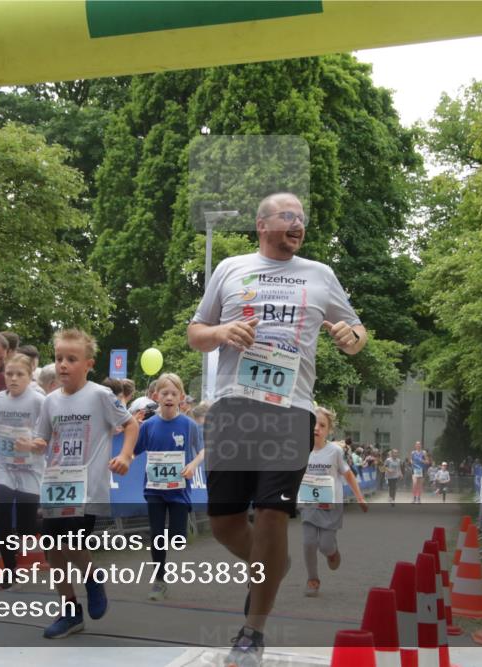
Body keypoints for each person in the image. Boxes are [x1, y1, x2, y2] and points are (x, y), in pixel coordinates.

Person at [187, 192, 366, 665]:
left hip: (290, 410)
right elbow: (195, 333)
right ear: (261, 223)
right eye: (288, 216)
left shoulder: (320, 275)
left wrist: (352, 337)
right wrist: (221, 333)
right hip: (231, 407)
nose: (298, 224)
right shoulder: (230, 268)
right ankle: (275, 564)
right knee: (225, 521)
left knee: (270, 513)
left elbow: (356, 333)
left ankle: (252, 631)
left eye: (302, 219)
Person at [35, 329, 138, 639]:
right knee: (52, 549)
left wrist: (125, 456)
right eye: (58, 359)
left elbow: (131, 425)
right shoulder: (50, 401)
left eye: (71, 359)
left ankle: (92, 578)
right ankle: (69, 612)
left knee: (70, 544)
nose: (63, 365)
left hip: (88, 488)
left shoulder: (100, 396)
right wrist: (30, 444)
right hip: (55, 485)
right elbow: (43, 439)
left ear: (88, 364)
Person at [133, 373, 204, 601]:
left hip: (178, 491)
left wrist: (192, 464)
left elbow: (203, 449)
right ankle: (159, 580)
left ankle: (184, 528)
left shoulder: (188, 425)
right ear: (156, 396)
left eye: (174, 393)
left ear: (181, 398)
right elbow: (134, 450)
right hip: (154, 489)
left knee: (177, 538)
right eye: (165, 393)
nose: (169, 397)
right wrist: (123, 460)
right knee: (156, 535)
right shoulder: (148, 426)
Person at [0, 352, 46, 589]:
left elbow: (47, 437)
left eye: (20, 374)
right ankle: (9, 571)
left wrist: (31, 444)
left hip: (31, 468)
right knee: (2, 517)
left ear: (30, 377)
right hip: (4, 466)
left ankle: (51, 528)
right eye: (9, 374)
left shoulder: (39, 401)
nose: (14, 379)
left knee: (27, 527)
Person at [299, 406, 368, 598]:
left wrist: (360, 497)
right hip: (309, 504)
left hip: (331, 506)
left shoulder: (334, 452)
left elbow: (349, 475)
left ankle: (332, 552)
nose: (316, 428)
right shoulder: (299, 449)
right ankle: (313, 579)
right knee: (308, 542)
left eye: (322, 425)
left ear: (329, 430)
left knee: (325, 545)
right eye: (313, 424)